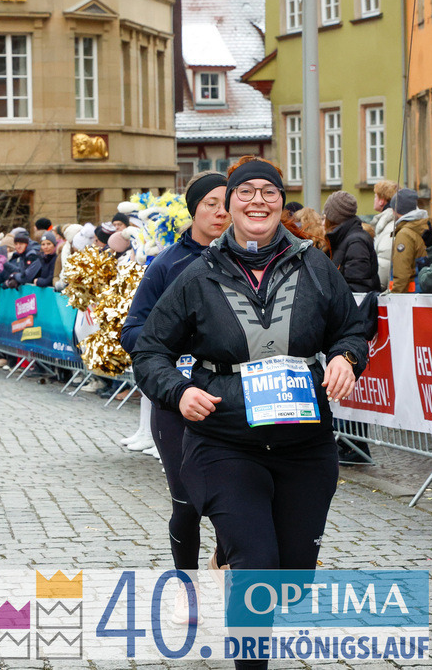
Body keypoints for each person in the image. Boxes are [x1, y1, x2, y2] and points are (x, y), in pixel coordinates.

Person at [132, 157, 370, 670]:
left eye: (268, 191)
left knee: (291, 579)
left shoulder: (315, 266)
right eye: (246, 191)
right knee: (257, 565)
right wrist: (178, 392)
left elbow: (351, 329)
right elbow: (149, 349)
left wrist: (347, 359)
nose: (257, 200)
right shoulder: (197, 274)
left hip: (304, 446)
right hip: (225, 442)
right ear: (230, 202)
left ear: (282, 203)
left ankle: (242, 569)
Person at [121, 170, 229, 620]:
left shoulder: (252, 259)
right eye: (211, 204)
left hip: (231, 401)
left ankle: (225, 566)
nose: (221, 212)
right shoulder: (167, 264)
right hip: (177, 401)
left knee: (235, 500)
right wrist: (176, 342)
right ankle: (188, 589)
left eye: (228, 203)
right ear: (194, 209)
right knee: (186, 504)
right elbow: (133, 332)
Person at [323, 191, 381, 292]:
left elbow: (358, 288)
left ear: (332, 218)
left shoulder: (356, 243)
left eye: (325, 217)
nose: (323, 223)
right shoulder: (342, 239)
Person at [389, 188, 430, 292]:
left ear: (396, 210)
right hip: (420, 290)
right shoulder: (421, 226)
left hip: (409, 294)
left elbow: (401, 272)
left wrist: (394, 296)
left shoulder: (404, 234)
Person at [371, 179, 399, 288]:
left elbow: (384, 263)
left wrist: (377, 286)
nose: (374, 199)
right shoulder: (386, 224)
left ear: (381, 201)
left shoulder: (389, 227)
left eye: (375, 196)